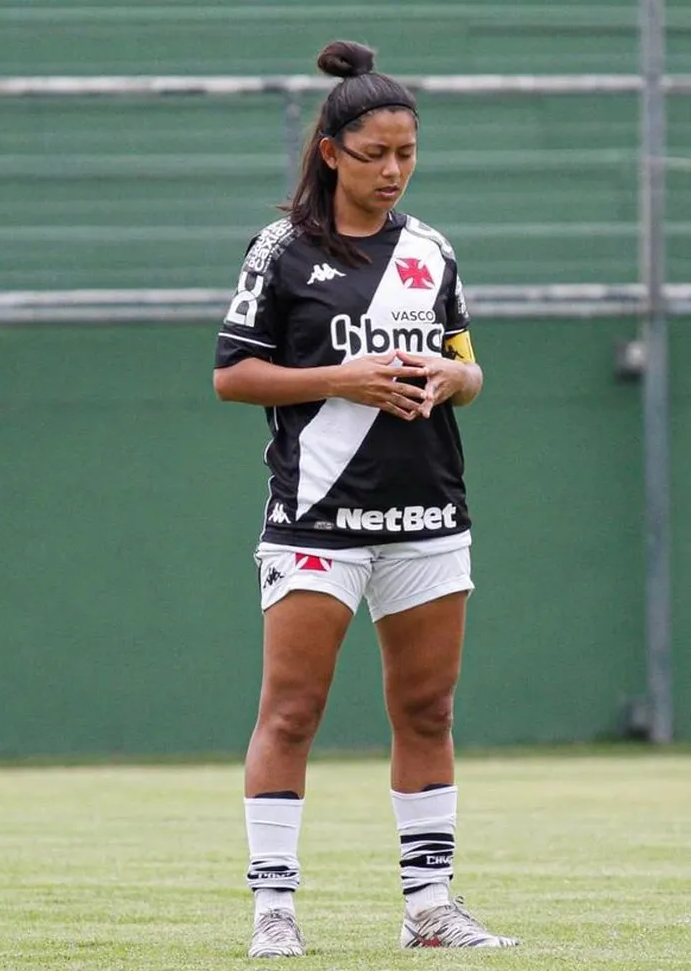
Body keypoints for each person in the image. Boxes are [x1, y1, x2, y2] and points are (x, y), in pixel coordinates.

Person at [213, 40, 520, 958]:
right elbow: (233, 377)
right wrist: (342, 376)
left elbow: (469, 368)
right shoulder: (282, 250)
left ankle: (429, 909)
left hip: (427, 511)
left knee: (428, 711)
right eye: (376, 153)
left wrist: (447, 380)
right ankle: (274, 911)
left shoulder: (430, 251)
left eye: (408, 153)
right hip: (316, 517)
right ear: (330, 150)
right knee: (292, 710)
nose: (394, 171)